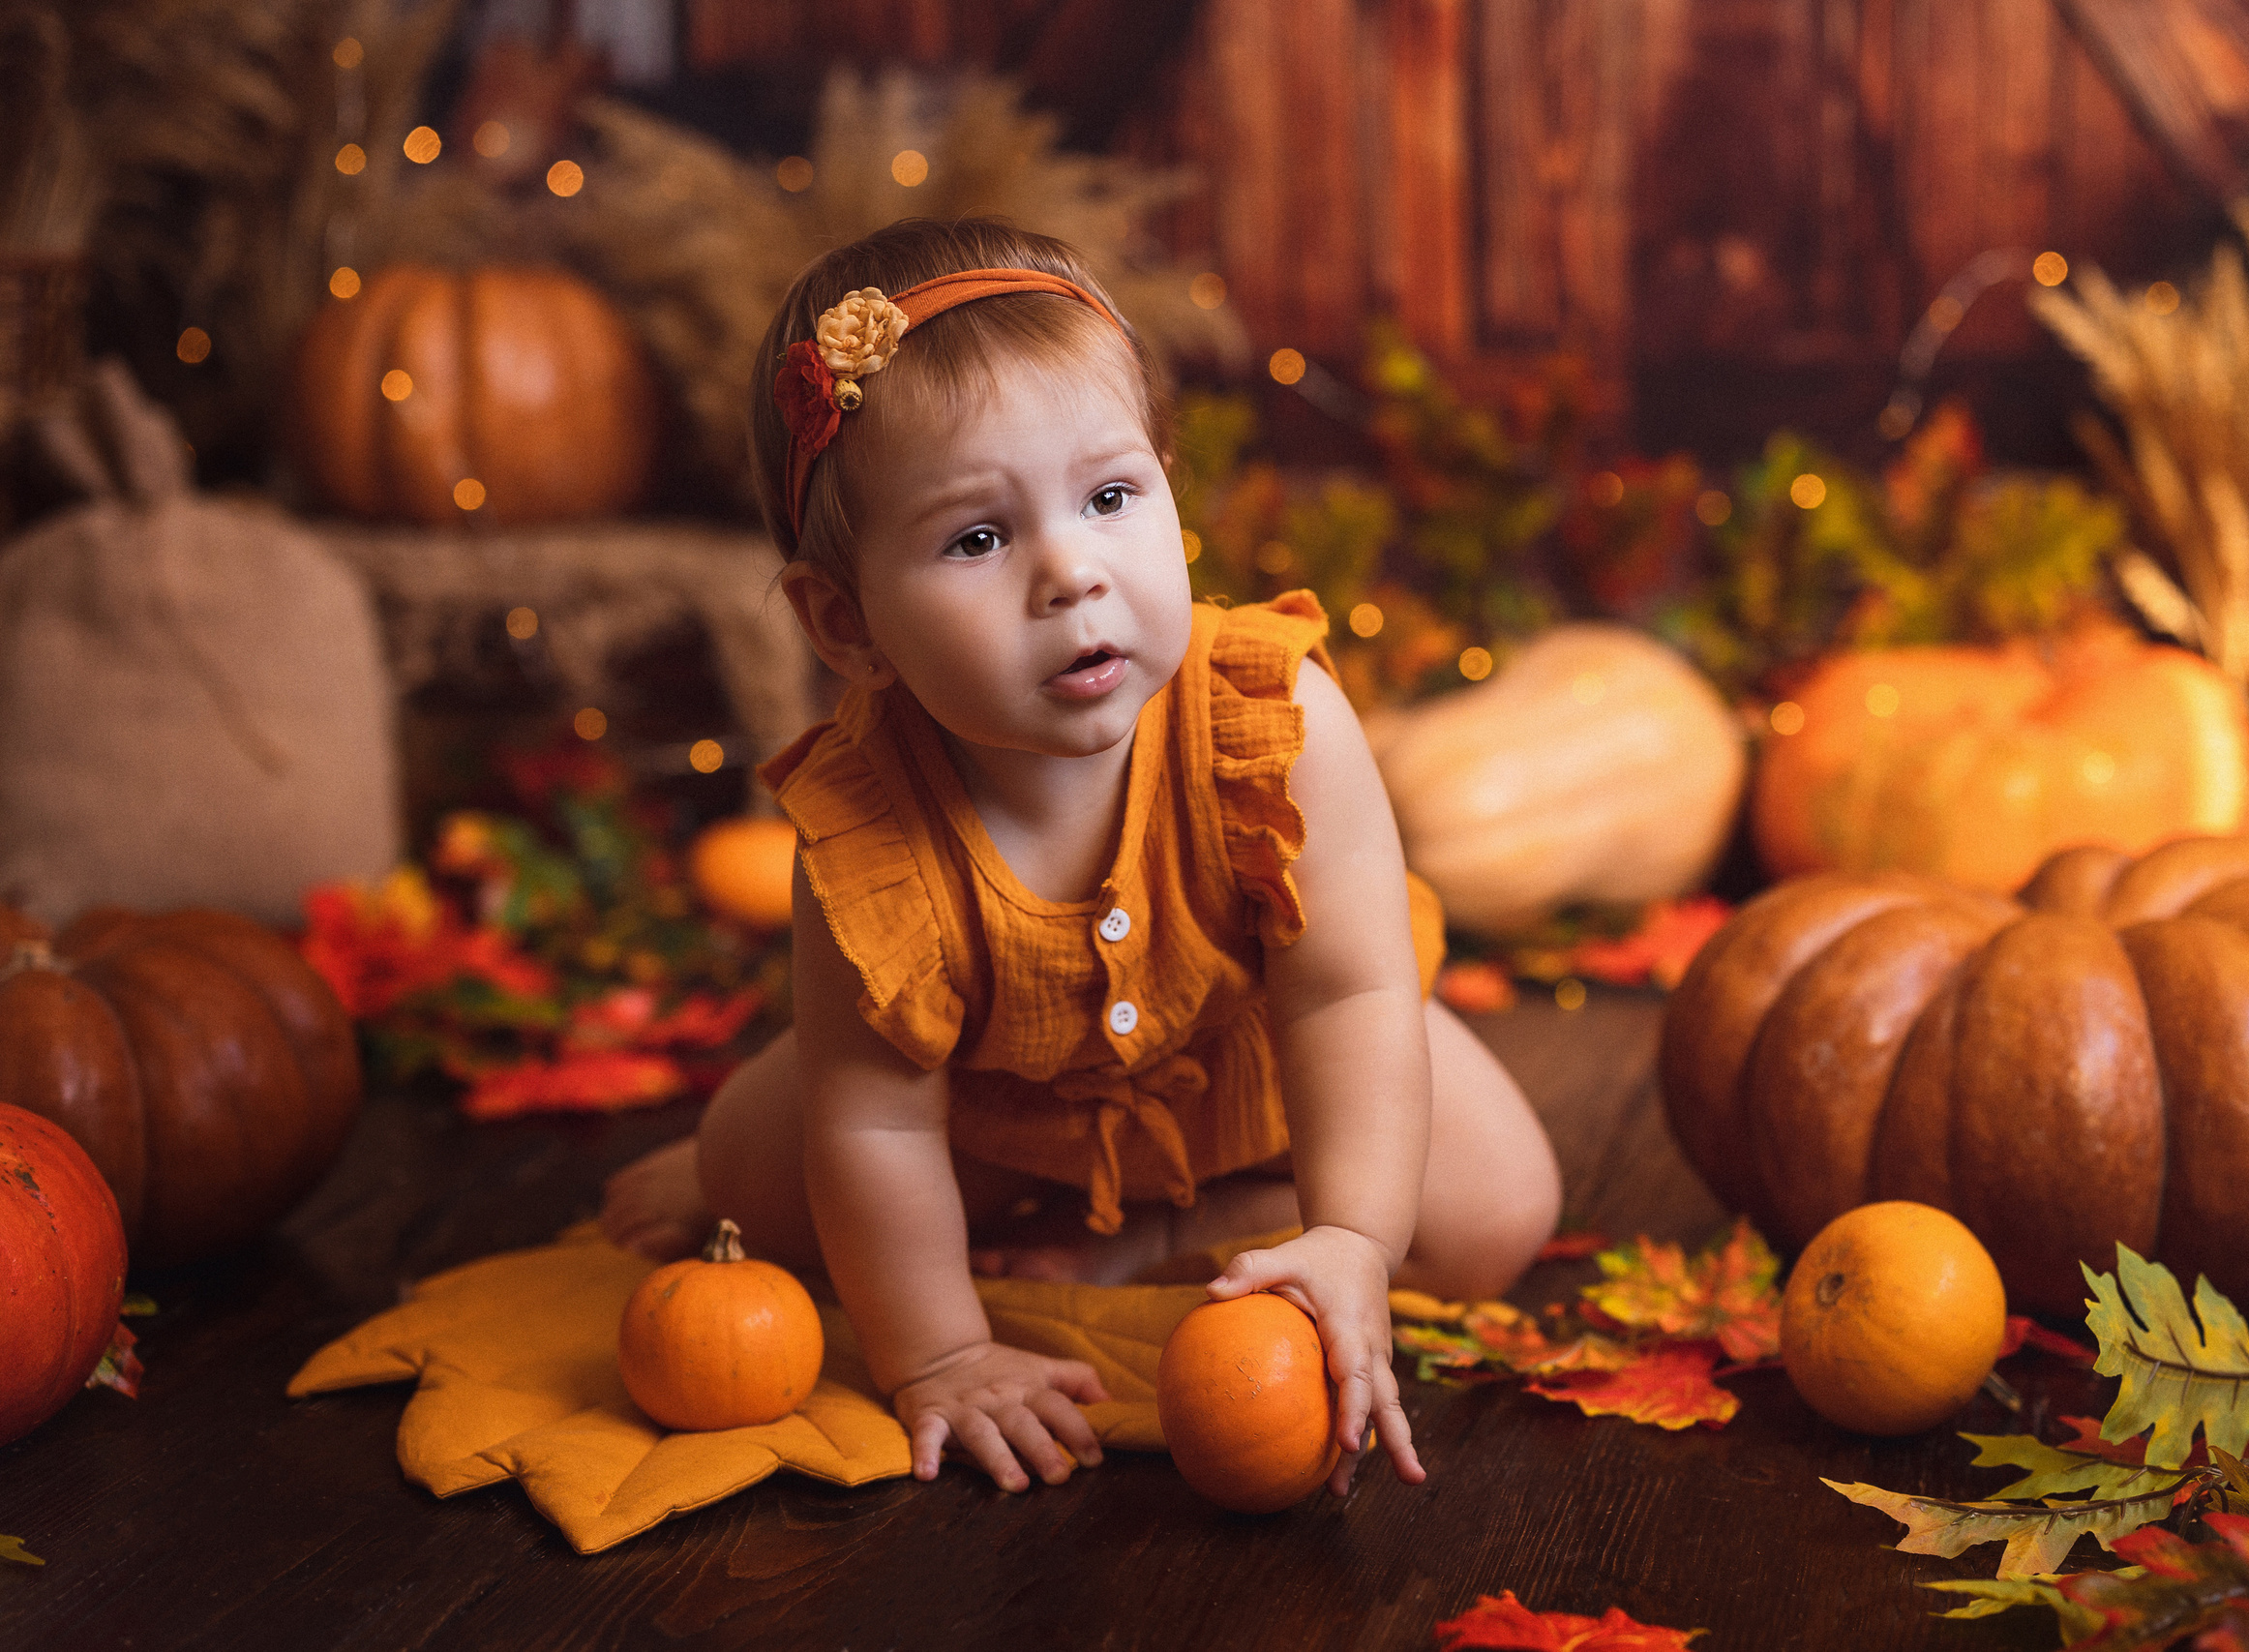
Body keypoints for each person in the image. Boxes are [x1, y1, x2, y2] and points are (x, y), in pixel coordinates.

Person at [600, 218, 1562, 1501]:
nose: (1072, 574)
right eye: (977, 540)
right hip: (1000, 1105)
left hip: (1267, 1055)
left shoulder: (1272, 720)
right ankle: (1017, 1222)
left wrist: (1352, 1235)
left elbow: (1349, 992)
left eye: (1110, 499)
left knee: (1498, 1213)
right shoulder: (867, 828)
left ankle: (1192, 1227)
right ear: (848, 622)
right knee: (764, 1182)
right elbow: (884, 1120)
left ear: (1166, 489)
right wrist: (937, 1352)